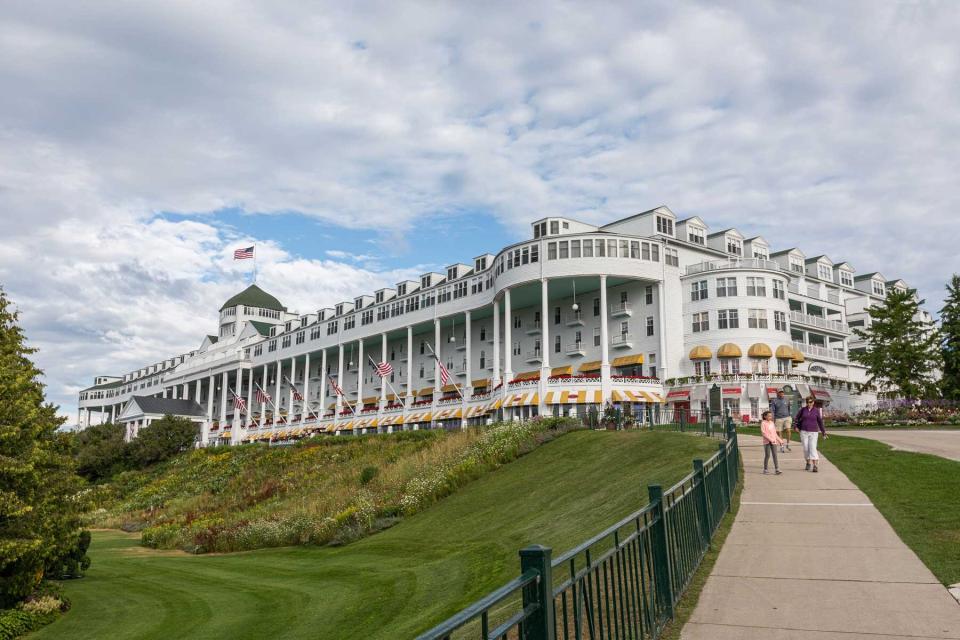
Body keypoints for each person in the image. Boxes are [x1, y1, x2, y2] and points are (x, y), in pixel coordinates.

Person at [794, 395, 827, 472]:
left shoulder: (816, 411)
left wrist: (823, 432)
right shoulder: (803, 410)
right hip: (804, 431)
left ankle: (815, 465)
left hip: (813, 432)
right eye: (807, 402)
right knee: (806, 448)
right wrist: (795, 426)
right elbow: (796, 418)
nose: (809, 403)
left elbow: (820, 422)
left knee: (812, 448)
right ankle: (808, 462)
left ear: (813, 402)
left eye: (810, 402)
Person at [759, 410, 783, 475]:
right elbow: (764, 433)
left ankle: (777, 469)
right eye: (769, 416)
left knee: (775, 455)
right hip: (767, 442)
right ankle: (765, 469)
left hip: (774, 442)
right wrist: (770, 439)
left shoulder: (772, 423)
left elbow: (774, 433)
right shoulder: (763, 423)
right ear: (765, 416)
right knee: (767, 455)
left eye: (771, 416)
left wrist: (780, 440)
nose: (770, 417)